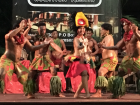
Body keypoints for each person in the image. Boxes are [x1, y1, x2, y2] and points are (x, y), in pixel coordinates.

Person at [0, 19, 52, 99]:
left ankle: (29, 93)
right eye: (22, 29)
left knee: (27, 78)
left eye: (23, 29)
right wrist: (21, 26)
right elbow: (10, 35)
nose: (23, 30)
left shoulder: (24, 39)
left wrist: (43, 45)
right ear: (16, 28)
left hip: (17, 62)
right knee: (1, 74)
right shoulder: (9, 36)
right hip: (7, 60)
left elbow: (32, 48)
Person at [100, 18, 140, 98]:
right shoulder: (125, 37)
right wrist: (104, 47)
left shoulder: (136, 34)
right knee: (120, 73)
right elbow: (117, 47)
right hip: (128, 59)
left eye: (125, 25)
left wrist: (135, 32)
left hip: (137, 59)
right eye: (123, 26)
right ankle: (117, 93)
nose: (123, 27)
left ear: (130, 25)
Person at [29, 22, 65, 97]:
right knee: (31, 74)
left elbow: (54, 45)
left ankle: (56, 92)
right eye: (41, 29)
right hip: (37, 58)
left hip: (46, 57)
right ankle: (30, 93)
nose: (43, 31)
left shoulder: (48, 38)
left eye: (44, 29)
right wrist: (29, 27)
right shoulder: (34, 37)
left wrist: (61, 51)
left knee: (54, 71)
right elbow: (24, 36)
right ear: (38, 29)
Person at [65, 12, 95, 98]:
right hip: (77, 59)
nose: (82, 30)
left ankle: (77, 94)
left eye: (83, 28)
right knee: (85, 73)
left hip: (85, 59)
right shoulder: (76, 39)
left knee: (87, 76)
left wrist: (89, 51)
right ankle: (87, 94)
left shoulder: (84, 38)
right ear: (76, 29)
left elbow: (87, 49)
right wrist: (84, 44)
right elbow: (78, 47)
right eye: (80, 28)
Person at [91, 23, 118, 98]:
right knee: (110, 76)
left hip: (110, 59)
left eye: (102, 29)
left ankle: (98, 93)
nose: (100, 30)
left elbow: (106, 47)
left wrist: (101, 45)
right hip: (107, 59)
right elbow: (102, 49)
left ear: (107, 31)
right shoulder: (105, 37)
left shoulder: (108, 37)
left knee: (100, 72)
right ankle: (116, 92)